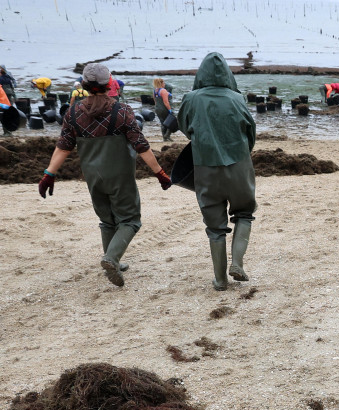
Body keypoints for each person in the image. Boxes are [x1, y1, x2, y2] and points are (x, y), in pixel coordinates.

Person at [38, 62, 172, 287]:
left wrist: (48, 174)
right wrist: (159, 172)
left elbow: (63, 147)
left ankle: (115, 262)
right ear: (110, 83)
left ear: (84, 85)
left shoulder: (73, 113)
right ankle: (111, 258)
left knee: (106, 220)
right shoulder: (122, 111)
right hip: (119, 175)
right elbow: (141, 145)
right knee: (130, 220)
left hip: (92, 176)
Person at [178, 52, 257, 292]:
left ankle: (220, 280)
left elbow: (184, 126)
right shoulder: (236, 98)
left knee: (215, 226)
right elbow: (250, 131)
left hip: (205, 166)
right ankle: (238, 263)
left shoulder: (190, 98)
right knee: (244, 213)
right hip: (239, 164)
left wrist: (204, 140)